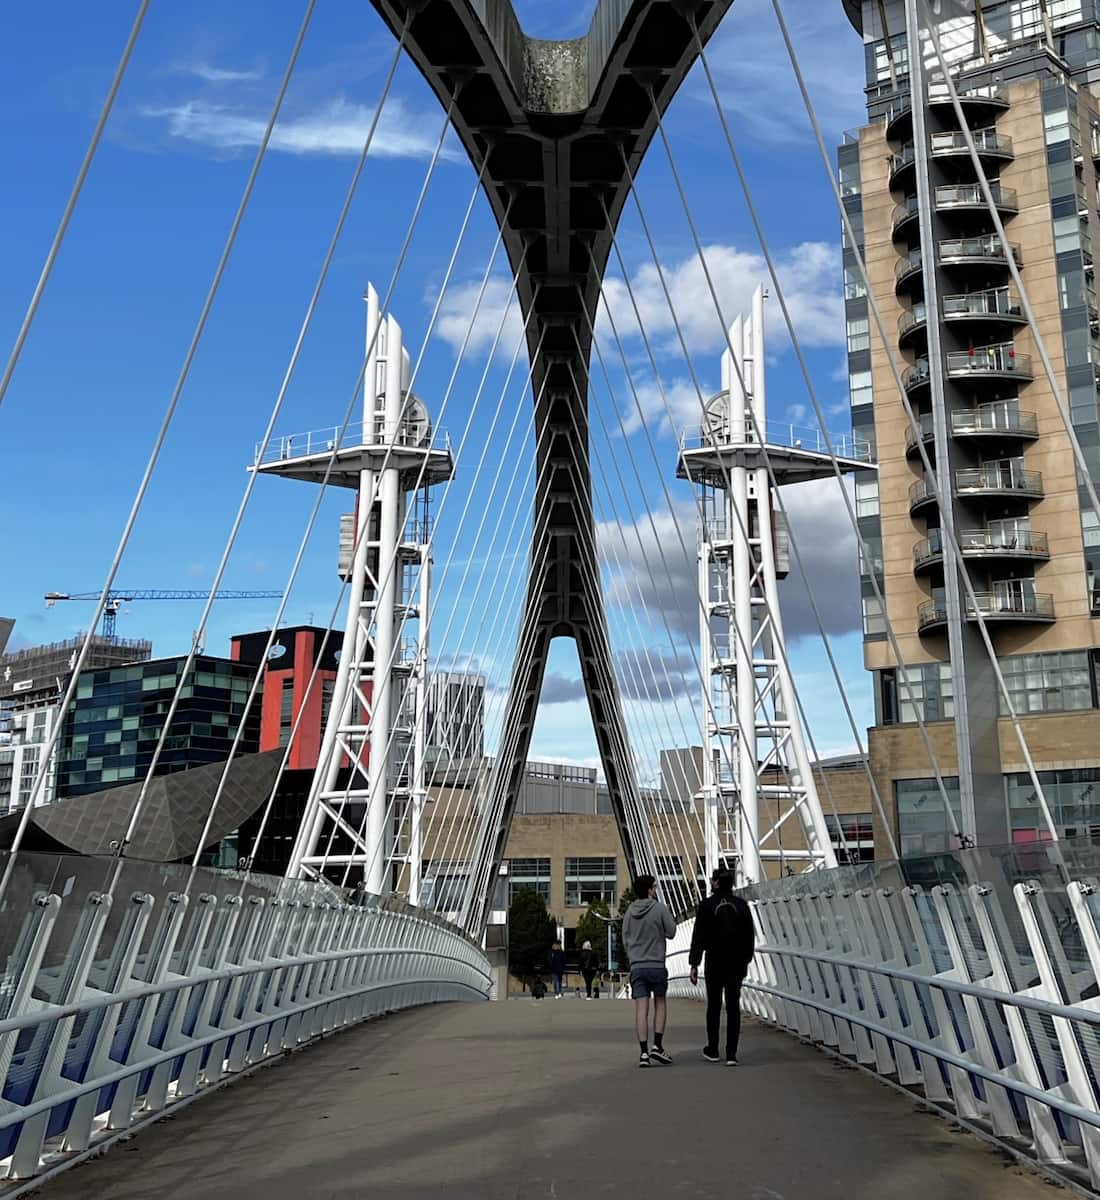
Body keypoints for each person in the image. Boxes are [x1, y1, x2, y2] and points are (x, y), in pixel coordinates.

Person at [688, 869, 755, 1065]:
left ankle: (713, 1048)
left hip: (714, 961)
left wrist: (694, 963)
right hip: (736, 962)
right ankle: (732, 1054)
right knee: (733, 1006)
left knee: (714, 1005)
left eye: (712, 880)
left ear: (716, 883)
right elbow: (749, 935)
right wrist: (746, 959)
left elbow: (698, 936)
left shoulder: (707, 905)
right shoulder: (741, 905)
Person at [622, 874, 677, 1067]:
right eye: (654, 887)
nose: (656, 890)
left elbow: (625, 939)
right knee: (660, 1004)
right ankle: (658, 1046)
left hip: (637, 966)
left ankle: (644, 1053)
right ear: (649, 890)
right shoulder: (660, 908)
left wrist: (633, 957)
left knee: (641, 1010)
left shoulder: (629, 912)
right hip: (656, 965)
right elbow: (672, 932)